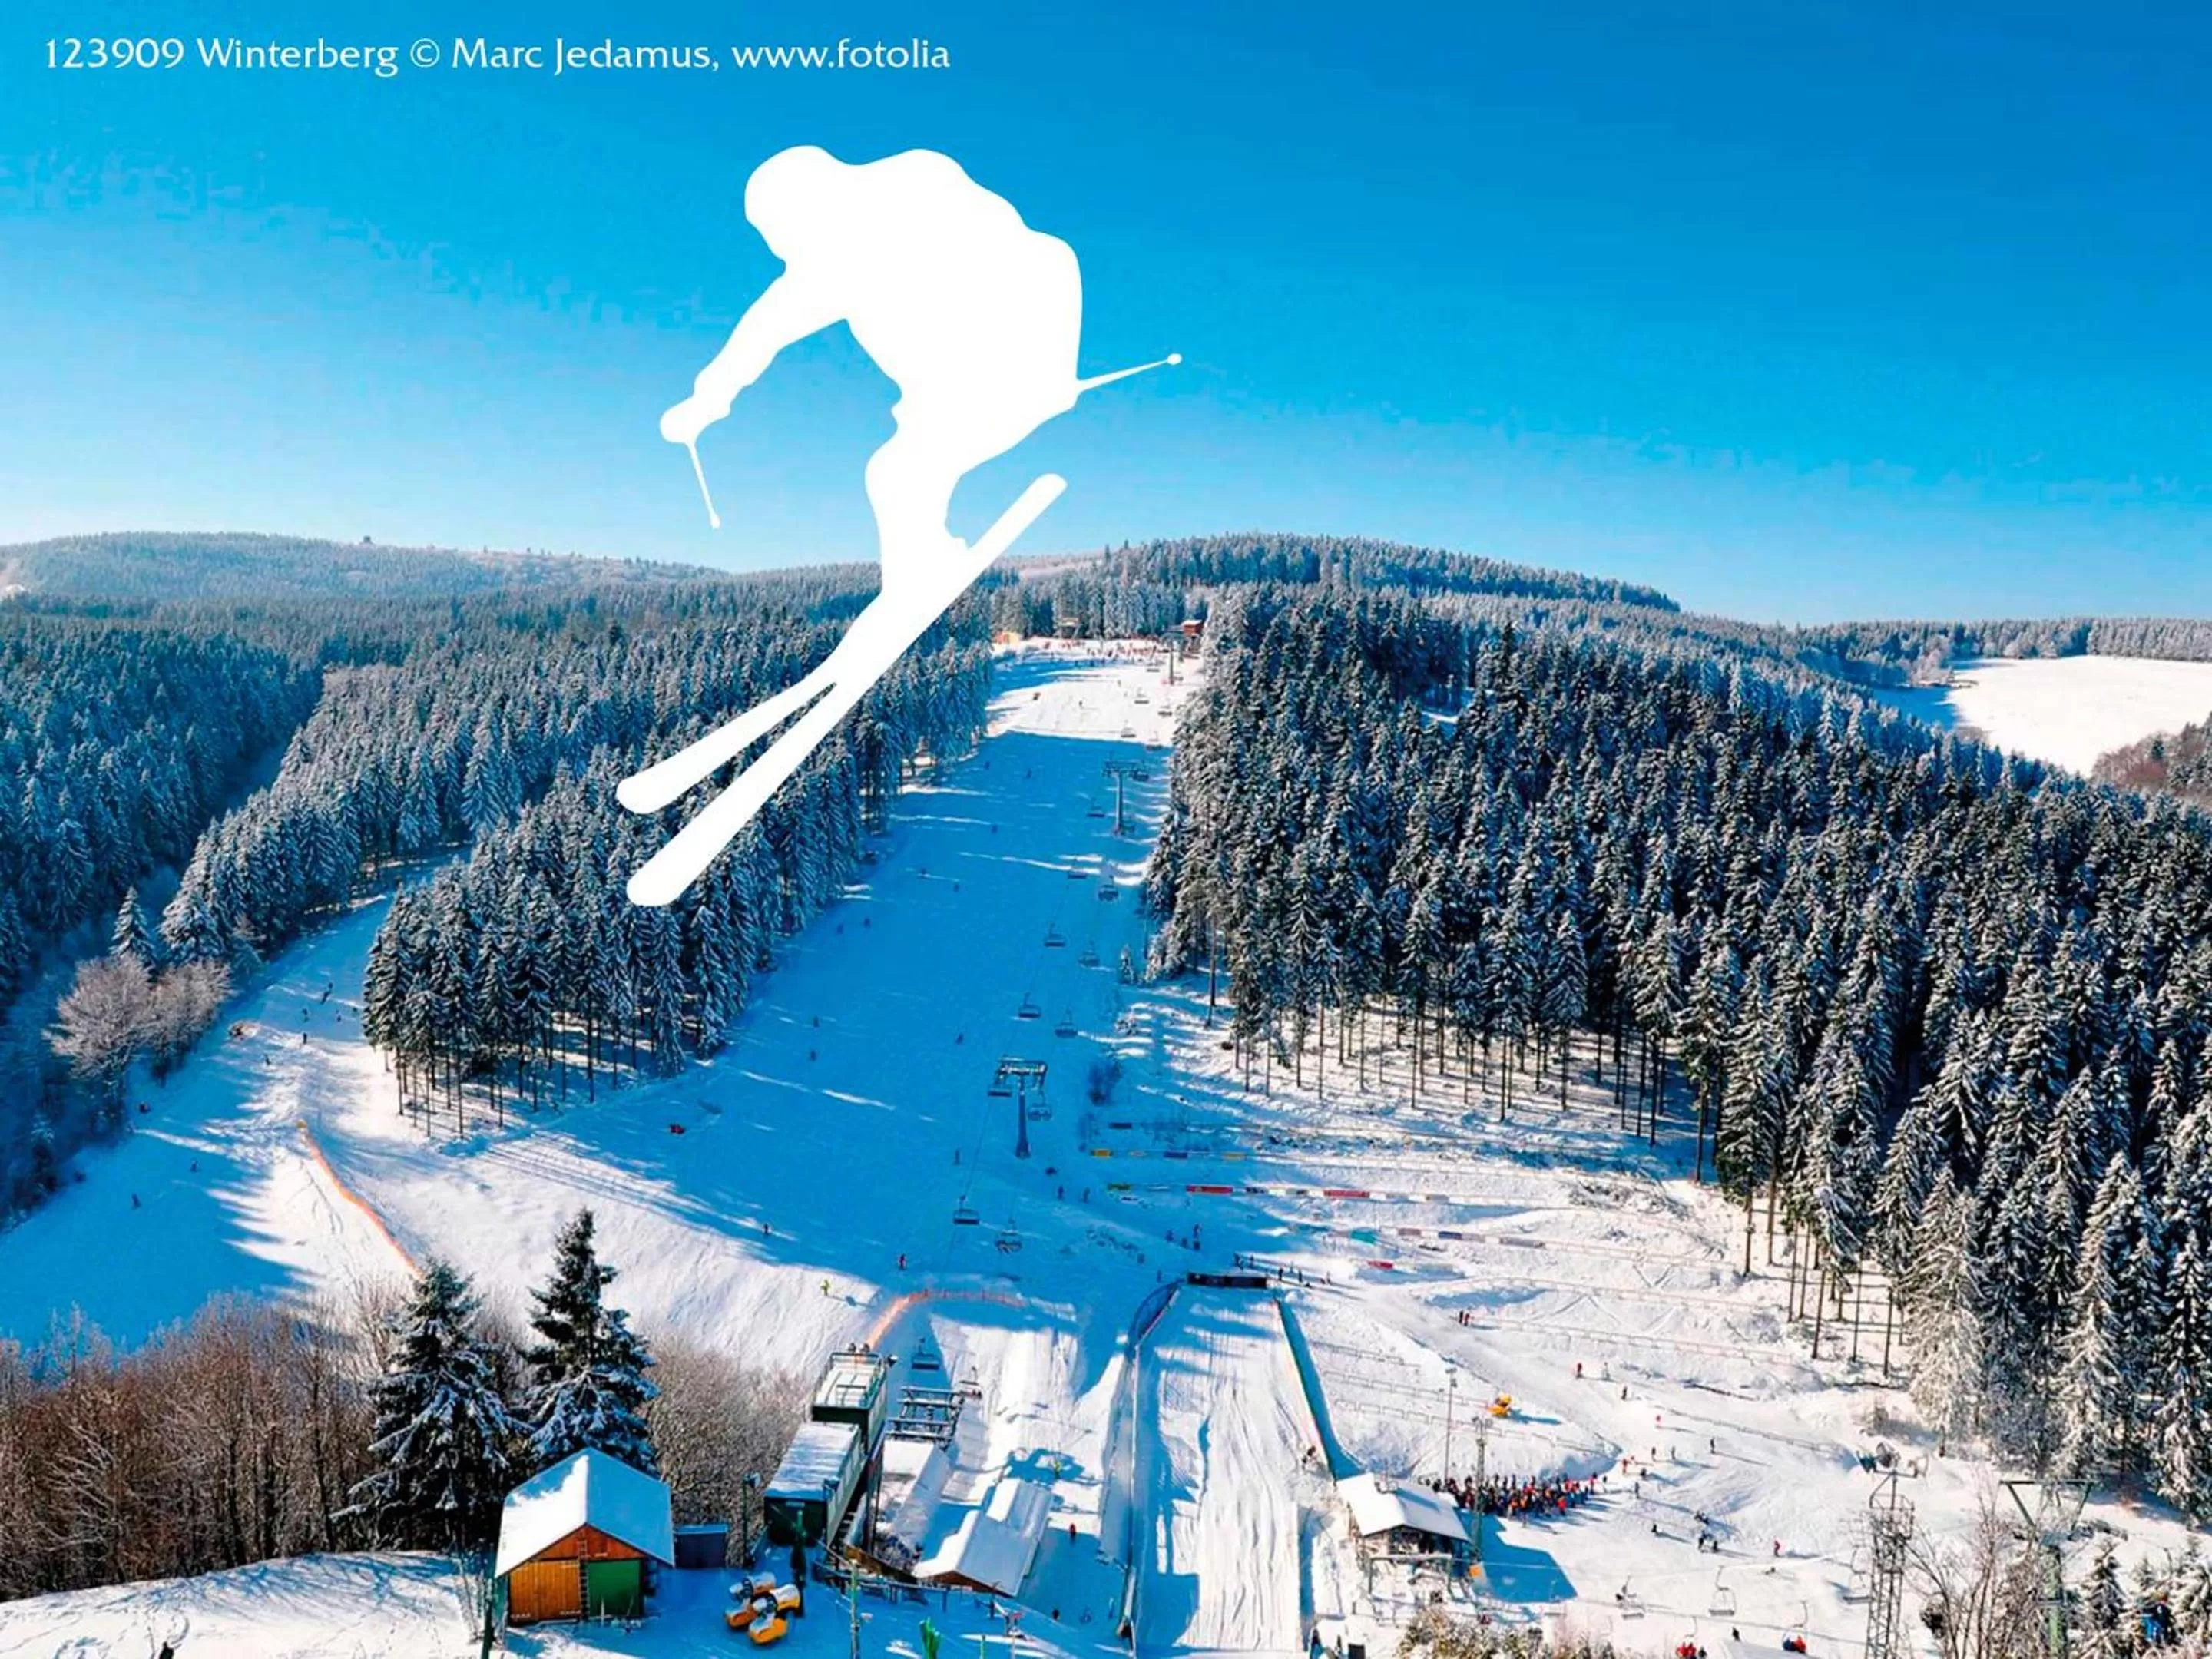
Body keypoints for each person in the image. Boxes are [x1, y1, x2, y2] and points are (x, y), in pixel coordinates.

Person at [621, 146, 1176, 908]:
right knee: (899, 467)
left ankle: (918, 567)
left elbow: (776, 319)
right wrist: (709, 397)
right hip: (989, 367)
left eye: (780, 235)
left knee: (900, 470)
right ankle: (922, 561)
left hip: (1016, 346)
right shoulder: (852, 238)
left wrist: (713, 391)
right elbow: (769, 323)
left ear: (807, 201)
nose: (783, 254)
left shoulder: (900, 194)